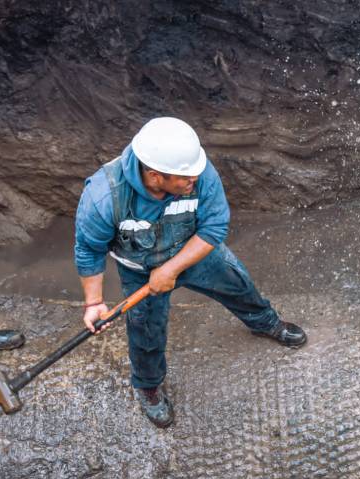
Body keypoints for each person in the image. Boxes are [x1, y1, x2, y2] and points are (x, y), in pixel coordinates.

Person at [74, 117, 306, 428]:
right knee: (145, 330)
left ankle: (265, 323)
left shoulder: (197, 172)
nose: (194, 180)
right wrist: (94, 302)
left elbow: (215, 226)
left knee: (238, 285)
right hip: (139, 270)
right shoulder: (104, 196)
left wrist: (171, 269)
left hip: (194, 250)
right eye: (185, 178)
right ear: (155, 176)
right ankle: (148, 386)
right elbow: (88, 249)